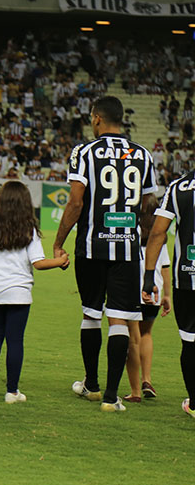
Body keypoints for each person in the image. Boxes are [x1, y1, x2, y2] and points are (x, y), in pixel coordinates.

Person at [53, 96, 156, 412]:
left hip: (91, 247)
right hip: (126, 249)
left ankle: (92, 385)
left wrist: (59, 242)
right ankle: (112, 397)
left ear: (96, 119)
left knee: (90, 312)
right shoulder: (143, 155)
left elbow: (75, 202)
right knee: (120, 319)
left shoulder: (84, 152)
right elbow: (149, 206)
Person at [0, 182, 69, 403]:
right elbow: (39, 263)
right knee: (15, 340)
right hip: (18, 293)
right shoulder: (29, 230)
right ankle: (12, 392)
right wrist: (60, 261)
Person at [142, 167, 195, 418]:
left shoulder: (178, 188)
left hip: (187, 278)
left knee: (190, 340)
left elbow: (158, 232)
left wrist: (148, 275)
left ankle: (194, 403)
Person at [124, 196, 170, 401]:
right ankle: (147, 380)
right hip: (154, 291)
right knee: (147, 335)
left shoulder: (130, 231)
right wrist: (167, 295)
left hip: (132, 289)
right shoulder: (160, 236)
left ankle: (134, 390)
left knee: (131, 338)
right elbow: (165, 268)